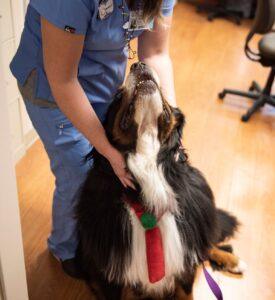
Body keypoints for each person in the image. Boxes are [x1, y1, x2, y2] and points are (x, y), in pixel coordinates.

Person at [10, 0, 177, 278]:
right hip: (52, 88)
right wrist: (109, 152)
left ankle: (96, 232)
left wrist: (169, 122)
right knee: (79, 170)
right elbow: (63, 80)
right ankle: (66, 248)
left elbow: (156, 53)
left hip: (102, 79)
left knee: (107, 168)